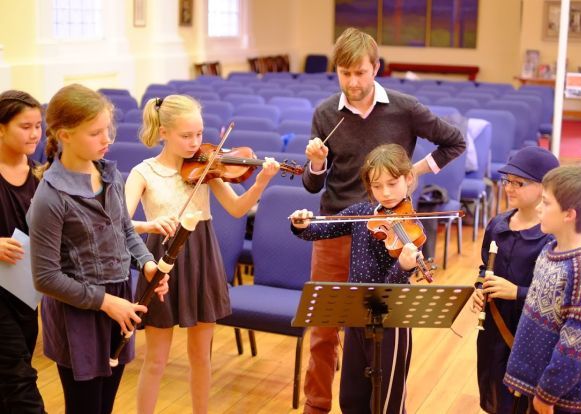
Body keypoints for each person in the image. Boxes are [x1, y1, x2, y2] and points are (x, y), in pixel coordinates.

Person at [301, 27, 466, 413]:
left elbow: (454, 141)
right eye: (345, 73)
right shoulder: (326, 113)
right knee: (324, 330)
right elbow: (311, 185)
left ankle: (379, 403)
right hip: (336, 228)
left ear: (375, 68)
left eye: (360, 72)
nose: (353, 82)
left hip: (387, 235)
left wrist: (415, 173)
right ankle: (317, 404)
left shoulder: (405, 108)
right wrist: (316, 162)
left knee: (379, 331)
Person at [124, 94, 280, 414]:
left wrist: (262, 181)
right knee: (155, 360)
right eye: (186, 136)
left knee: (201, 358)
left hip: (201, 254)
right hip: (160, 259)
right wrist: (150, 224)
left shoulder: (205, 166)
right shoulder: (144, 172)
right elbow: (122, 224)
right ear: (163, 132)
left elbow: (237, 209)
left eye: (199, 134)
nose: (196, 143)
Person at [27, 84, 169, 414]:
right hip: (79, 308)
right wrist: (107, 303)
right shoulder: (50, 197)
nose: (107, 139)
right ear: (64, 135)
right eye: (95, 133)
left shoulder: (110, 175)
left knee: (104, 405)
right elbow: (45, 278)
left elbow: (124, 230)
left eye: (108, 130)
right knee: (85, 407)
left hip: (118, 299)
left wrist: (147, 264)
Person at [291, 144, 423, 413]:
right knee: (351, 398)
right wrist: (301, 224)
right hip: (355, 314)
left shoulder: (412, 228)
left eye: (392, 183)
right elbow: (318, 230)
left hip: (391, 320)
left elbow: (392, 285)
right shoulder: (361, 213)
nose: (385, 193)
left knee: (388, 402)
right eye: (377, 186)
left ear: (408, 179)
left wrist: (403, 266)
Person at [504, 165, 581, 414]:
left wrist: (546, 395)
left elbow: (580, 344)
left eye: (546, 203)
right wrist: (522, 375)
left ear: (569, 215)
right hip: (540, 387)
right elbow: (535, 315)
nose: (538, 208)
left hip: (561, 398)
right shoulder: (550, 251)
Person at [471, 146, 559, 413]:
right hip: (493, 330)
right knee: (494, 390)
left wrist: (517, 292)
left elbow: (556, 296)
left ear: (544, 188)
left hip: (528, 332)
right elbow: (484, 268)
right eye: (507, 181)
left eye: (519, 183)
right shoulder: (497, 225)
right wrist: (478, 289)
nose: (509, 187)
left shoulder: (551, 237)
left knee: (520, 400)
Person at [0, 90, 46, 413]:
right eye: (25, 126)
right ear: (1, 128)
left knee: (10, 379)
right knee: (20, 384)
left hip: (25, 294)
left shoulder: (42, 177)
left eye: (38, 126)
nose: (34, 134)